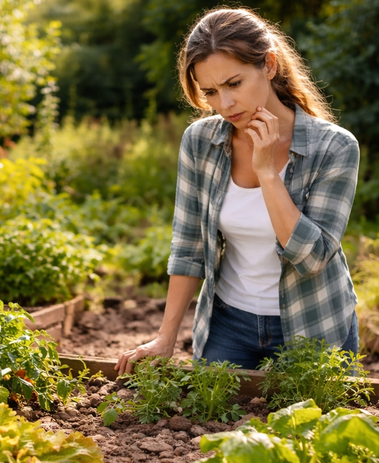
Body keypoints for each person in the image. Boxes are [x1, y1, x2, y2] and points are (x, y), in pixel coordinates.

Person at [116, 8, 360, 375]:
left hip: (311, 325)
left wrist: (267, 173)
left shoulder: (334, 147)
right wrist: (165, 338)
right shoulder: (200, 141)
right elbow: (188, 246)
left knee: (309, 414)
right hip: (228, 325)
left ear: (270, 65)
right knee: (210, 410)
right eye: (210, 92)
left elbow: (312, 259)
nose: (224, 105)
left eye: (234, 84)